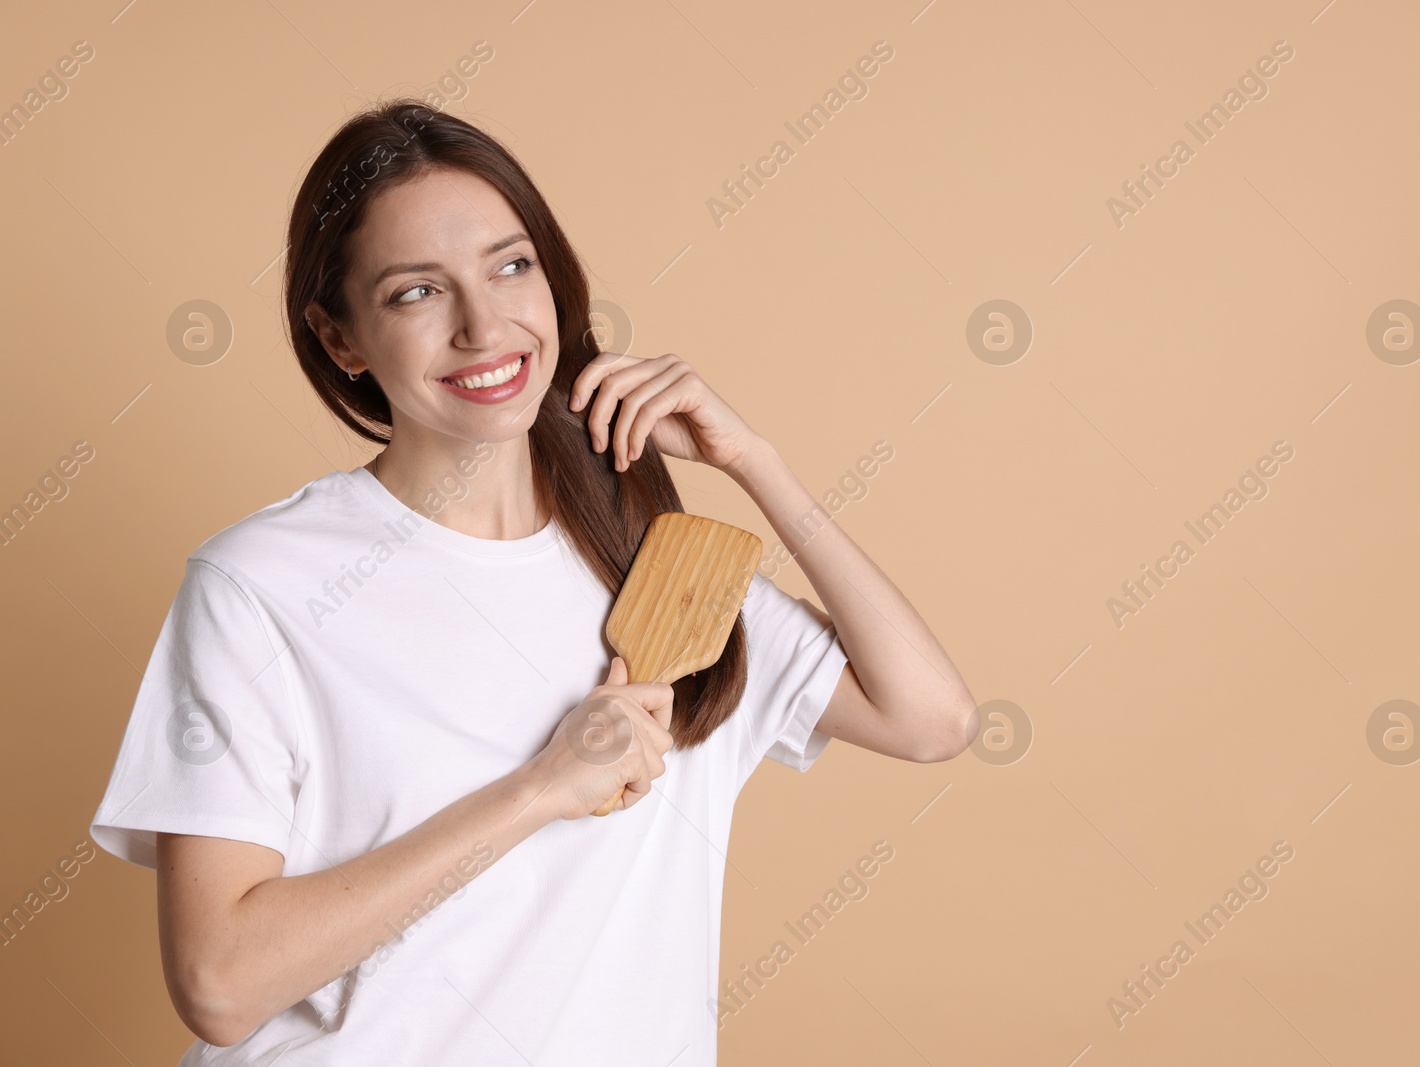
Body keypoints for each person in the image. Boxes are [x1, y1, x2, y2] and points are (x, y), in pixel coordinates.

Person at [89, 98, 975, 1065]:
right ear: (340, 339)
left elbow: (933, 720)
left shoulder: (659, 570)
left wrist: (756, 462)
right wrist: (540, 789)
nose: (484, 324)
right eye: (416, 293)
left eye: (512, 266)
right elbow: (218, 985)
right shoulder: (260, 584)